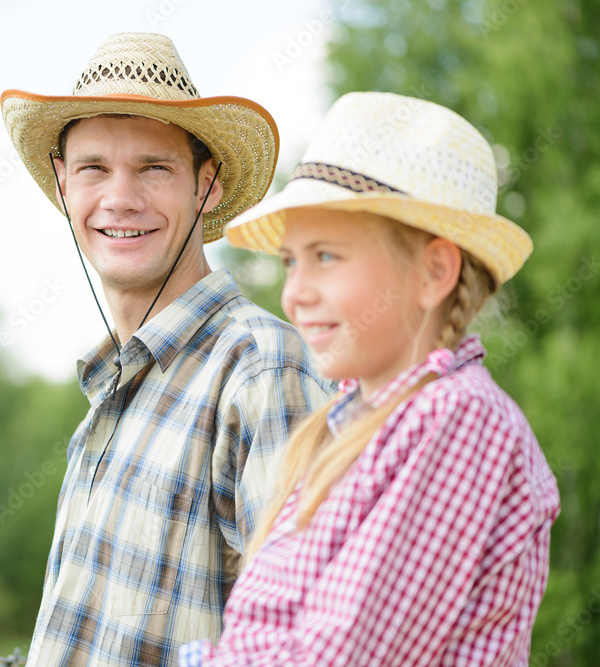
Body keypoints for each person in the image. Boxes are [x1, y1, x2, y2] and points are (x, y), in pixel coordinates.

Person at [180, 91, 561, 666]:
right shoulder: (349, 423)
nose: (295, 292)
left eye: (327, 257)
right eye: (291, 261)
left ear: (434, 272)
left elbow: (338, 655)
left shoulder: (460, 419)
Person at [1, 33, 332, 666]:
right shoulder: (113, 389)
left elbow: (307, 644)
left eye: (154, 167)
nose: (120, 198)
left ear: (205, 187)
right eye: (95, 167)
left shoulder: (260, 370)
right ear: (64, 183)